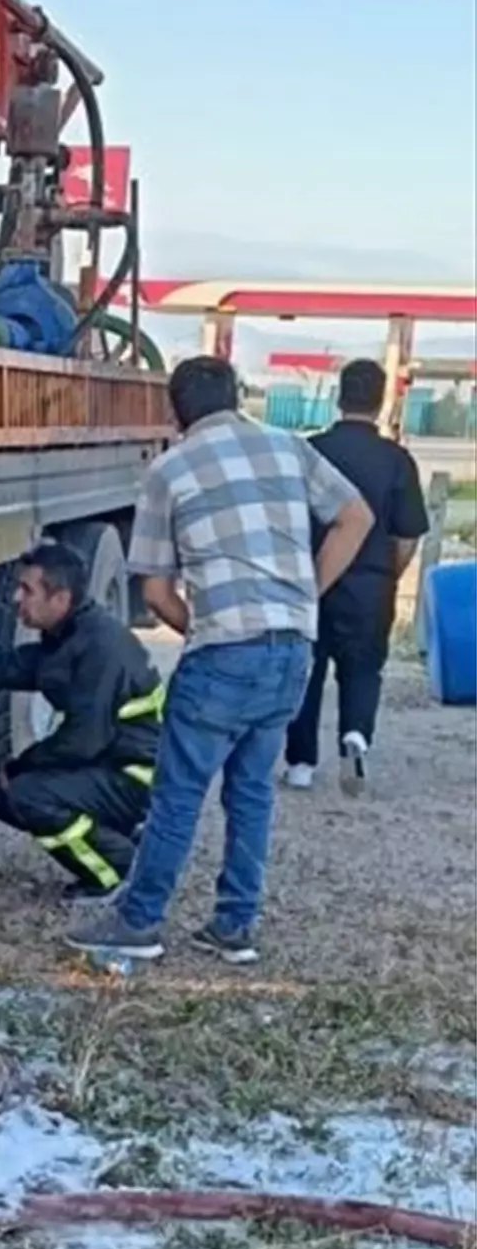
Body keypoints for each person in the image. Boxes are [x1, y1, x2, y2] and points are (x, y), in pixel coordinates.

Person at [67, 356, 374, 966]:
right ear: (235, 398)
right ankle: (236, 925)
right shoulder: (288, 447)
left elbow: (155, 593)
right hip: (292, 648)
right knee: (253, 791)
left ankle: (140, 921)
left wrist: (202, 629)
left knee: (178, 794)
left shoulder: (169, 470)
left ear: (174, 411)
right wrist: (306, 595)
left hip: (224, 652)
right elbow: (355, 516)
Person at [0, 541, 164, 904]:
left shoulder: (100, 647)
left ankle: (116, 870)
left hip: (137, 776)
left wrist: (21, 766)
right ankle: (119, 838)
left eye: (27, 590)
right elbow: (2, 667)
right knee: (4, 793)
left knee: (26, 794)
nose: (16, 598)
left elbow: (84, 739)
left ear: (61, 598)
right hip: (114, 761)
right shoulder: (70, 637)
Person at [285, 359, 429, 796]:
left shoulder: (308, 450)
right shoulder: (397, 460)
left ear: (338, 396)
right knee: (364, 668)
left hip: (313, 579)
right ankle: (356, 735)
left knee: (306, 671)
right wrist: (389, 574)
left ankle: (300, 763)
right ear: (382, 401)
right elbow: (407, 534)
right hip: (371, 582)